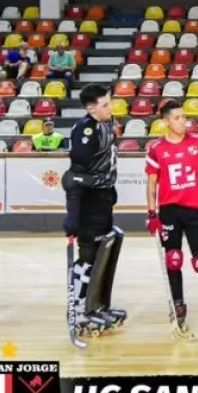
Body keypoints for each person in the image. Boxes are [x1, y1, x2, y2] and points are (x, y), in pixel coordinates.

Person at [145, 100, 198, 332]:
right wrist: (151, 212)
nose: (183, 122)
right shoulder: (156, 148)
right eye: (177, 118)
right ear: (165, 122)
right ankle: (178, 304)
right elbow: (152, 183)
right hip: (169, 211)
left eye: (184, 117)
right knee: (173, 259)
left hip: (194, 210)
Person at [63, 84, 126, 336]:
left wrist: (109, 189)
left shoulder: (107, 124)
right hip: (88, 200)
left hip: (102, 197)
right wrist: (72, 215)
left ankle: (95, 305)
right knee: (89, 254)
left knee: (102, 252)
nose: (110, 108)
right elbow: (73, 176)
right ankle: (78, 308)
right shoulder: (85, 130)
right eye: (105, 105)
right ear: (91, 109)